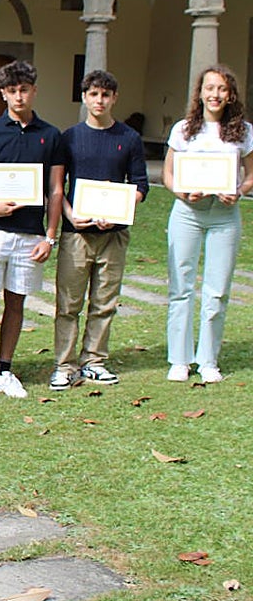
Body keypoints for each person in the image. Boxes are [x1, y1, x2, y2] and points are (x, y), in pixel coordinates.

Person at [0, 61, 65, 399]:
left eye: (24, 90)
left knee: (16, 302)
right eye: (12, 91)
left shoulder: (51, 135)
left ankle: (4, 370)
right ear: (3, 93)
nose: (19, 96)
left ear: (34, 91)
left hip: (31, 233)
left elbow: (56, 189)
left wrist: (50, 236)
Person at [50, 70, 148, 390]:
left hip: (113, 235)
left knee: (104, 302)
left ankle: (94, 361)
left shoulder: (129, 138)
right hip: (76, 234)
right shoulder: (70, 137)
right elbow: (57, 186)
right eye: (93, 94)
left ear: (114, 98)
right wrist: (70, 215)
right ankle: (64, 364)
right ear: (84, 97)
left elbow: (140, 186)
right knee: (68, 303)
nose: (99, 101)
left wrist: (117, 211)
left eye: (106, 95)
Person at [162, 64, 253, 384]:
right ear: (200, 93)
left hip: (224, 217)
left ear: (230, 95)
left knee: (217, 291)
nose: (215, 94)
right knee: (181, 288)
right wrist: (182, 192)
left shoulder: (244, 131)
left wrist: (239, 191)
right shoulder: (183, 129)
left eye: (222, 89)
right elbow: (168, 174)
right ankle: (179, 360)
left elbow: (251, 175)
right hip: (187, 213)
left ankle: (208, 360)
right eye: (210, 88)